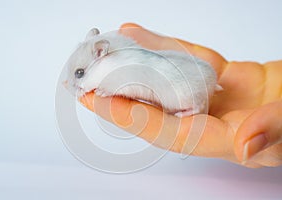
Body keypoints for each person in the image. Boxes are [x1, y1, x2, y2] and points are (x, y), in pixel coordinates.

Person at [80, 23, 282, 168]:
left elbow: (134, 84)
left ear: (101, 53)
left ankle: (196, 105)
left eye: (80, 74)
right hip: (198, 73)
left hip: (192, 84)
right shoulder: (122, 61)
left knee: (183, 94)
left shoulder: (124, 65)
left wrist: (110, 89)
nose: (76, 82)